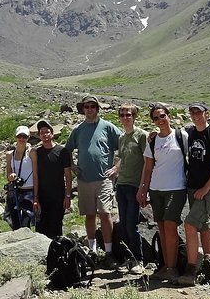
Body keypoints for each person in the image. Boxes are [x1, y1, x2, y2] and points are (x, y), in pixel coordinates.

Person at [65, 95, 122, 269]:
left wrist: (116, 167)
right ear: (83, 109)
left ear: (97, 108)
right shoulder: (78, 129)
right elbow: (67, 150)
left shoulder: (107, 127)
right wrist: (73, 165)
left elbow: (124, 146)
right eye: (86, 106)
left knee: (105, 214)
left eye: (92, 106)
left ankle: (109, 252)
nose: (89, 109)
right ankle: (93, 251)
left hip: (104, 179)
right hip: (84, 180)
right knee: (90, 215)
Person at [176, 102, 210, 286]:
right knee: (204, 224)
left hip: (209, 188)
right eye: (192, 112)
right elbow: (173, 139)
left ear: (207, 113)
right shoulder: (189, 133)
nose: (195, 115)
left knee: (190, 224)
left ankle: (191, 270)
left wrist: (206, 189)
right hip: (193, 186)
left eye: (198, 112)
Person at [136, 104, 188, 283]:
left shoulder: (182, 136)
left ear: (169, 116)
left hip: (176, 187)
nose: (160, 120)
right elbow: (148, 167)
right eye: (156, 118)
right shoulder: (153, 140)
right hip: (156, 189)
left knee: (170, 226)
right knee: (162, 228)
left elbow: (196, 156)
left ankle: (172, 268)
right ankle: (166, 266)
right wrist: (143, 189)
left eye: (162, 116)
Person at [107, 103, 147, 274]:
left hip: (135, 185)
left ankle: (139, 259)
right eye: (122, 115)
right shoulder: (122, 137)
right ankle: (128, 259)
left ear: (134, 116)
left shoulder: (142, 136)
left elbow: (148, 162)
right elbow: (122, 158)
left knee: (132, 224)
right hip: (122, 185)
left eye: (128, 115)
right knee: (123, 224)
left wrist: (145, 188)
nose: (125, 118)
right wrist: (115, 169)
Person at [30, 119, 72, 238]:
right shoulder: (37, 153)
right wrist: (36, 197)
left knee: (56, 227)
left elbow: (68, 175)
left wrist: (67, 196)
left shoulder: (62, 151)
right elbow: (35, 176)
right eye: (42, 132)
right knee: (41, 228)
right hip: (42, 197)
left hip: (58, 196)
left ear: (52, 134)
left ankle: (57, 253)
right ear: (39, 135)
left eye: (47, 132)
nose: (45, 134)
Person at [3, 125, 36, 229]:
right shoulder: (9, 155)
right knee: (15, 223)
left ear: (28, 138)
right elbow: (8, 175)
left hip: (29, 191)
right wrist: (11, 176)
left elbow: (36, 174)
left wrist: (36, 195)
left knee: (26, 222)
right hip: (15, 192)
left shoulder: (31, 152)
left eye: (24, 136)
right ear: (16, 137)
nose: (22, 139)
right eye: (19, 136)